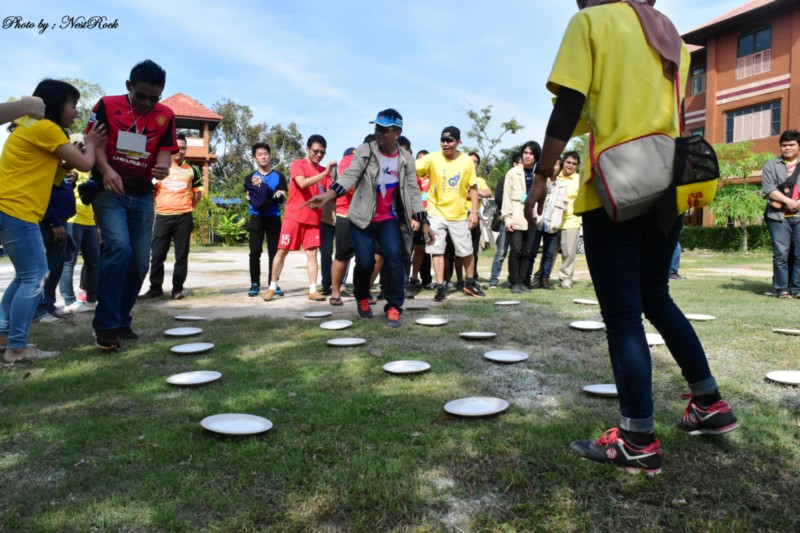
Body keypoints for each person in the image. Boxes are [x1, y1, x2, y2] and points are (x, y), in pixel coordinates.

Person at [525, 0, 738, 474]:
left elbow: (571, 105)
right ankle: (709, 403)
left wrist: (542, 174)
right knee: (656, 299)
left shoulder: (591, 22)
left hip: (615, 189)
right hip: (668, 186)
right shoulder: (672, 37)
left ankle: (637, 438)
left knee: (623, 315)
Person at [0, 79, 106, 363]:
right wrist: (92, 143)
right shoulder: (46, 128)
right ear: (57, 104)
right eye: (72, 105)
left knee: (25, 276)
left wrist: (66, 166)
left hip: (10, 208)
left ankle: (4, 334)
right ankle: (17, 348)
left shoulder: (31, 128)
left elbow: (53, 173)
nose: (74, 112)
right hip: (17, 209)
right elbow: (86, 164)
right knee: (35, 276)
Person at [305, 109, 433, 327]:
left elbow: (412, 191)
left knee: (395, 258)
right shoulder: (366, 150)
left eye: (384, 129)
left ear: (397, 132)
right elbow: (351, 175)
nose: (379, 133)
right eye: (377, 128)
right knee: (365, 263)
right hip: (362, 217)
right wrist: (328, 195)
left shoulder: (406, 159)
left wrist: (424, 222)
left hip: (388, 219)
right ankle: (362, 298)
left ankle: (394, 306)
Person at [89, 60, 178, 350]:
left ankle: (121, 318)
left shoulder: (165, 115)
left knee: (140, 261)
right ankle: (105, 325)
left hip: (142, 195)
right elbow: (95, 144)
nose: (148, 103)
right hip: (109, 189)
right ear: (129, 86)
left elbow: (165, 153)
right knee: (118, 248)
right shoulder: (106, 105)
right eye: (142, 96)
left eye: (155, 97)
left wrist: (162, 169)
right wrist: (106, 170)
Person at [262, 135, 336, 302]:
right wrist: (324, 173)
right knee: (282, 251)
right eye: (316, 151)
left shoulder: (325, 172)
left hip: (313, 220)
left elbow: (332, 193)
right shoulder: (298, 164)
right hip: (294, 217)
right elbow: (302, 184)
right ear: (307, 149)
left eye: (322, 152)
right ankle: (272, 287)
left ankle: (312, 289)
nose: (319, 155)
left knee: (312, 254)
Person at [416, 126, 485, 301]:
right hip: (436, 212)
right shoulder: (431, 158)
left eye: (450, 140)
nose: (446, 144)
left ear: (458, 142)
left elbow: (473, 188)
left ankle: (469, 283)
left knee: (466, 251)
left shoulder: (466, 161)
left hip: (459, 214)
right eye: (443, 140)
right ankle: (440, 287)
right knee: (436, 250)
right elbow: (409, 168)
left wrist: (474, 212)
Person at [139, 133, 203, 301]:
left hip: (184, 217)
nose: (180, 151)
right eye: (177, 147)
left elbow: (197, 195)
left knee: (181, 256)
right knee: (158, 255)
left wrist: (188, 208)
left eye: (183, 148)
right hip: (162, 216)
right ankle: (155, 288)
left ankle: (177, 289)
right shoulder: (159, 168)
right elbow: (149, 189)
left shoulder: (193, 170)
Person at [59, 147, 100, 314]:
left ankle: (92, 298)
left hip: (90, 221)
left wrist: (99, 225)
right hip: (73, 220)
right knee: (69, 262)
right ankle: (69, 301)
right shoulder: (71, 165)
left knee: (95, 261)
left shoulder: (94, 169)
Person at [243, 142, 287, 297]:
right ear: (255, 157)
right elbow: (251, 200)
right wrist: (269, 196)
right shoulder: (249, 178)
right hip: (256, 218)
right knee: (255, 252)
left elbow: (281, 198)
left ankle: (272, 283)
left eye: (266, 154)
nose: (263, 156)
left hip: (274, 218)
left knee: (274, 253)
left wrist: (263, 191)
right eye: (260, 154)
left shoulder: (279, 176)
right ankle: (254, 283)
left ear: (270, 155)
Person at [34, 170, 77, 322]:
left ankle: (48, 305)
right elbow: (43, 194)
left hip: (61, 222)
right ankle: (38, 310)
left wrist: (73, 182)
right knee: (42, 270)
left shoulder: (62, 168)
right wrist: (55, 222)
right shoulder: (46, 164)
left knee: (56, 267)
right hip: (48, 223)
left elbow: (62, 190)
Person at [762, 129, 800, 298]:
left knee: (799, 254)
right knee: (781, 253)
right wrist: (789, 202)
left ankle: (797, 288)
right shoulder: (771, 165)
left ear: (798, 146)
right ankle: (781, 289)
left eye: (791, 145)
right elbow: (768, 189)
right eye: (784, 145)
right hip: (778, 217)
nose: (787, 148)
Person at [502, 141, 541, 294]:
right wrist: (507, 218)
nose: (527, 156)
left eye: (530, 153)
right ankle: (514, 282)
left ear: (536, 156)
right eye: (525, 152)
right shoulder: (512, 173)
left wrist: (540, 215)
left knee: (527, 252)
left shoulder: (540, 174)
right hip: (516, 218)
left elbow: (547, 194)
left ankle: (524, 281)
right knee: (516, 251)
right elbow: (506, 197)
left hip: (533, 219)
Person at [553, 151, 582, 289]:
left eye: (574, 163)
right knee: (549, 253)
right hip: (552, 221)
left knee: (569, 253)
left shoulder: (579, 180)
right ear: (563, 162)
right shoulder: (554, 177)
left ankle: (566, 278)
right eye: (568, 162)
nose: (571, 165)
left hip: (571, 220)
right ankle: (542, 277)